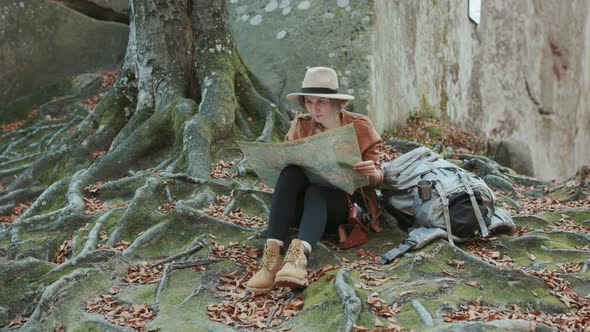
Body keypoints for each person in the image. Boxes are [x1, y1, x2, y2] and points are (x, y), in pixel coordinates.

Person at [245, 67, 384, 292]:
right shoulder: (301, 125)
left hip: (343, 205)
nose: (314, 108)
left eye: (321, 101)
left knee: (317, 192)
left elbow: (378, 181)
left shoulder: (359, 126)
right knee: (291, 172)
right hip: (303, 207)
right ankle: (271, 260)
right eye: (309, 102)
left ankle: (298, 261)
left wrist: (372, 174)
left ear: (336, 102)